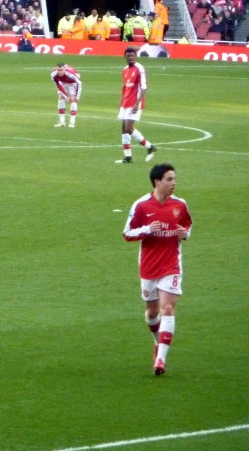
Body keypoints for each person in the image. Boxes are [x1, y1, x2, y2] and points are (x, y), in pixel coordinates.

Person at [123, 164, 192, 375]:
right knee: (152, 312)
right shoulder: (142, 206)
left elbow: (187, 225)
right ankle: (157, 342)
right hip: (149, 265)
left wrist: (185, 233)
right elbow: (127, 233)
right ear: (157, 182)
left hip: (171, 264)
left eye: (174, 179)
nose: (174, 183)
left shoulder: (180, 205)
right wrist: (146, 229)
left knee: (168, 309)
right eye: (169, 179)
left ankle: (160, 360)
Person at [116, 47, 157, 164]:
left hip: (134, 103)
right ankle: (128, 157)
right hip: (125, 103)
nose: (130, 57)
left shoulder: (140, 68)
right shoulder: (124, 70)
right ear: (125, 57)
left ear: (136, 56)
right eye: (128, 56)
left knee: (129, 128)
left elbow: (144, 87)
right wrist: (121, 104)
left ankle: (149, 147)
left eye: (132, 55)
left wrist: (137, 104)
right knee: (124, 129)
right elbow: (124, 88)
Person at [51, 63, 81, 128]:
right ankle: (62, 122)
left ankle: (72, 122)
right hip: (63, 83)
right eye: (58, 70)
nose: (60, 72)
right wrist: (66, 96)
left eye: (61, 70)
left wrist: (78, 96)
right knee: (61, 98)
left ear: (64, 69)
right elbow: (58, 86)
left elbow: (79, 83)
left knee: (73, 99)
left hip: (73, 83)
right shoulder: (53, 74)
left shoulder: (71, 74)